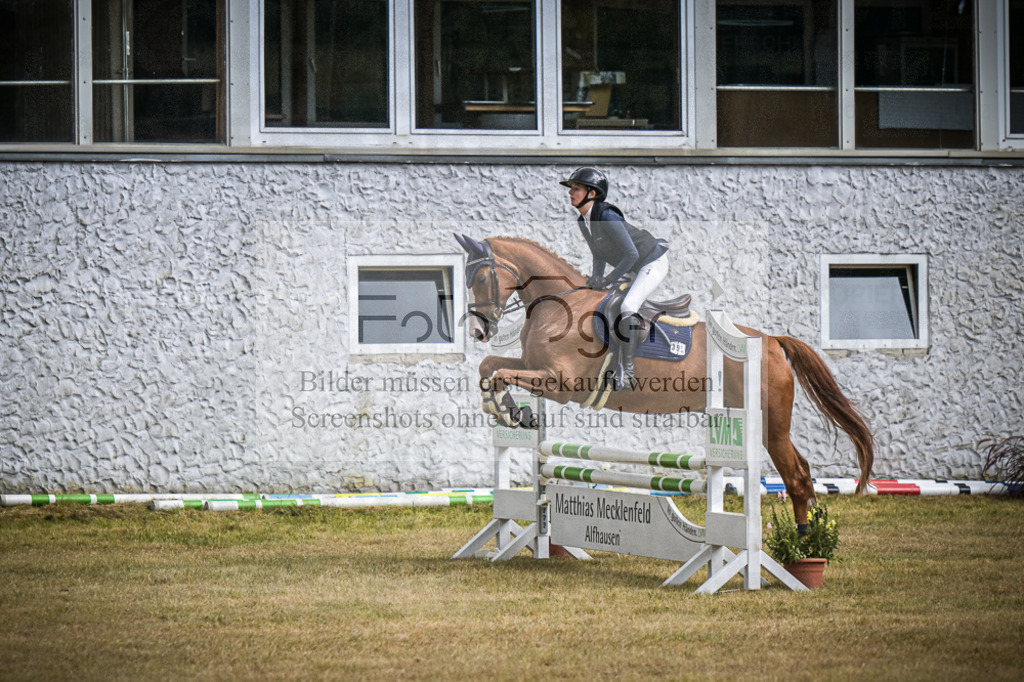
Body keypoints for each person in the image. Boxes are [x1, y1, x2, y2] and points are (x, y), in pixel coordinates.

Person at [559, 167, 669, 389]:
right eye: (571, 189)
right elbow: (598, 253)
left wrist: (609, 278)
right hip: (633, 265)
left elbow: (632, 254)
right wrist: (597, 278)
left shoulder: (607, 216)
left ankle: (628, 373)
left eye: (576, 189)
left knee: (629, 305)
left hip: (651, 262)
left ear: (592, 193)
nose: (571, 193)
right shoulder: (583, 221)